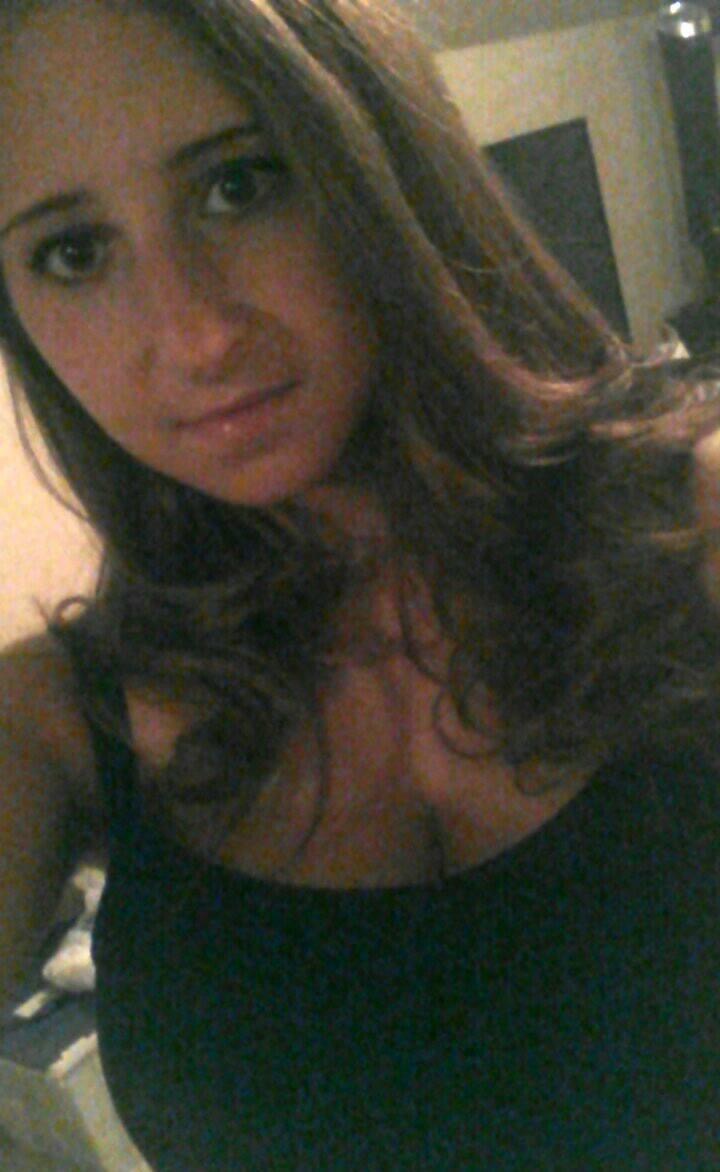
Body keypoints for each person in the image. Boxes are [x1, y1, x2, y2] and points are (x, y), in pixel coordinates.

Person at [0, 0, 717, 1168]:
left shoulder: (695, 520)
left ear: (382, 167)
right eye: (73, 252)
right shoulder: (50, 720)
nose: (193, 335)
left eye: (240, 184)